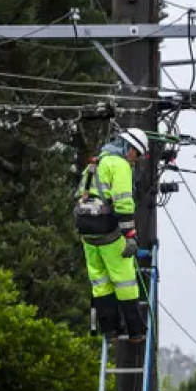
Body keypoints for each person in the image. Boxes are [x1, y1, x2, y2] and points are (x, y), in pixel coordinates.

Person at [74, 128, 149, 343]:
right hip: (107, 231)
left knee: (100, 281)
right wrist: (131, 236)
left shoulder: (94, 164)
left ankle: (111, 331)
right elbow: (123, 203)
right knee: (124, 280)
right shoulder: (120, 165)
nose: (136, 160)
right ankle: (136, 331)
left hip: (86, 231)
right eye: (137, 154)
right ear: (129, 148)